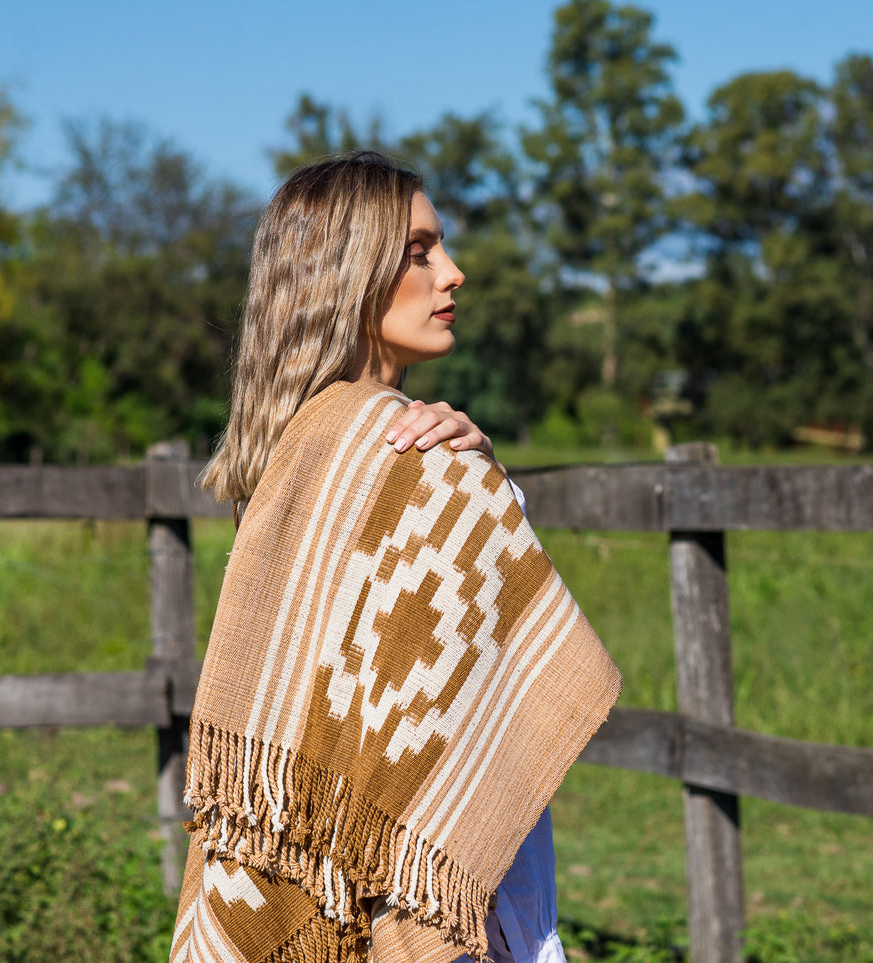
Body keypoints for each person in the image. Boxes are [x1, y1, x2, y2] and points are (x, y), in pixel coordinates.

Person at [170, 151, 621, 963]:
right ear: (348, 271)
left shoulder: (302, 445)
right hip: (448, 908)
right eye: (420, 251)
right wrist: (478, 486)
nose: (452, 273)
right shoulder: (411, 456)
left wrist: (483, 475)